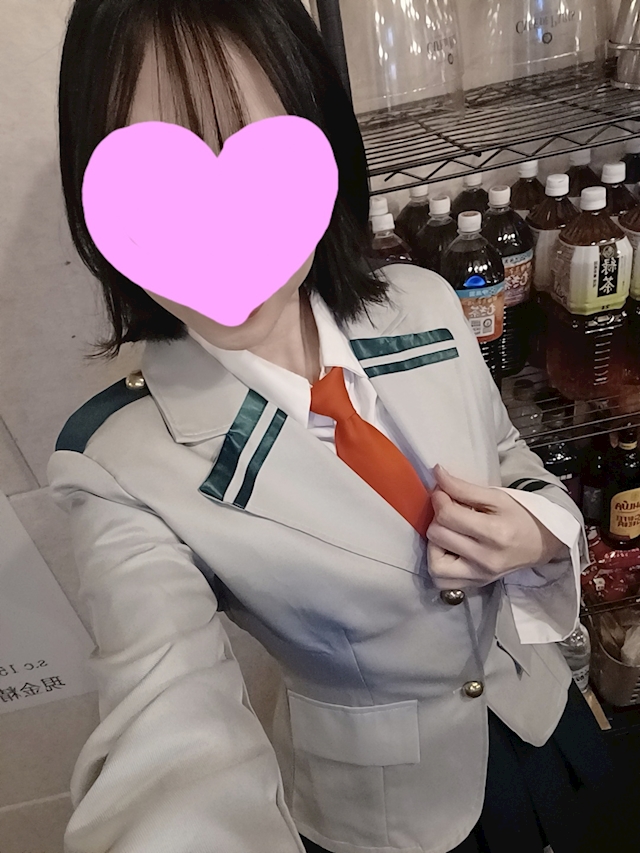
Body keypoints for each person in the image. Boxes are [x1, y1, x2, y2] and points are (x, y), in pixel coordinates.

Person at [48, 2, 617, 852]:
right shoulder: (120, 461)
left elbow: (507, 456)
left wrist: (537, 529)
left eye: (254, 158)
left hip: (547, 720)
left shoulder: (424, 304)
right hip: (386, 815)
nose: (219, 231)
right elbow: (164, 721)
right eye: (160, 188)